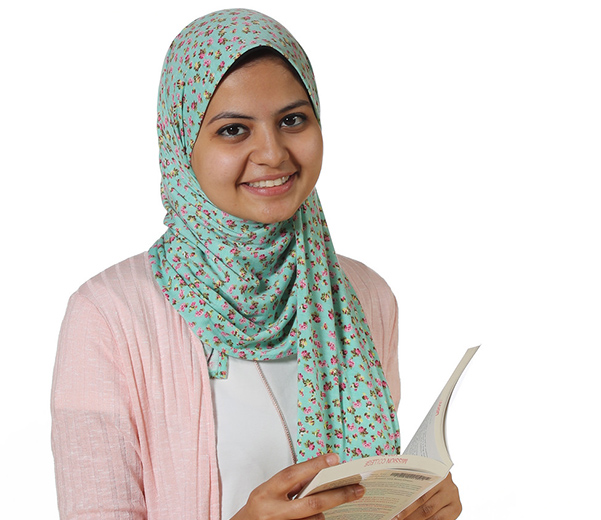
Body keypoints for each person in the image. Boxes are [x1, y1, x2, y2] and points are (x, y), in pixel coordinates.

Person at [51, 8, 462, 520]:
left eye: (292, 120)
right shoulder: (109, 317)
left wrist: (413, 505)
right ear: (181, 144)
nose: (272, 153)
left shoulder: (363, 296)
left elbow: (360, 496)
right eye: (233, 130)